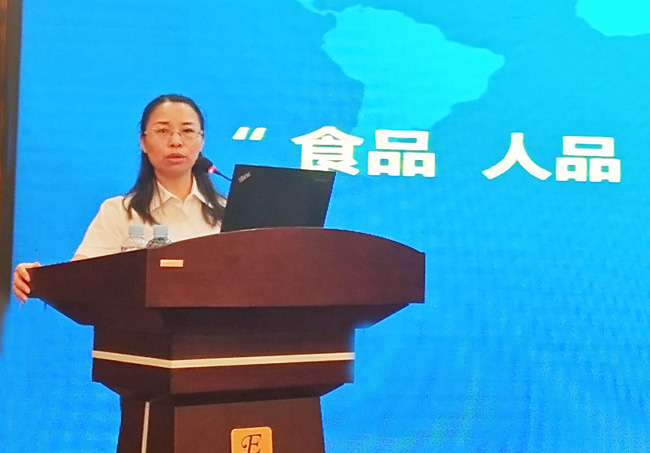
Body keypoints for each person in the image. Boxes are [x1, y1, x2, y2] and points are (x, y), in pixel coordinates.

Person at [12, 94, 226, 302]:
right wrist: (38, 278)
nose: (176, 141)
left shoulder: (228, 211)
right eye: (163, 130)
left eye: (187, 131)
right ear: (143, 142)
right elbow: (79, 277)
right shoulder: (119, 212)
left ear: (202, 141)